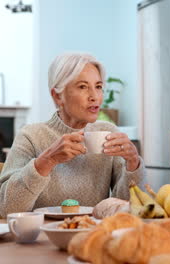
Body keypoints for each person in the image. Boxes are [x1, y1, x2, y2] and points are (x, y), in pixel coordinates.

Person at [0, 53, 145, 218]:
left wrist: (133, 164)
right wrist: (47, 161)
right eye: (83, 86)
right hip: (42, 237)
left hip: (92, 234)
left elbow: (127, 207)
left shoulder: (108, 132)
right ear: (57, 95)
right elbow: (6, 209)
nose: (94, 96)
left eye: (98, 86)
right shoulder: (30, 135)